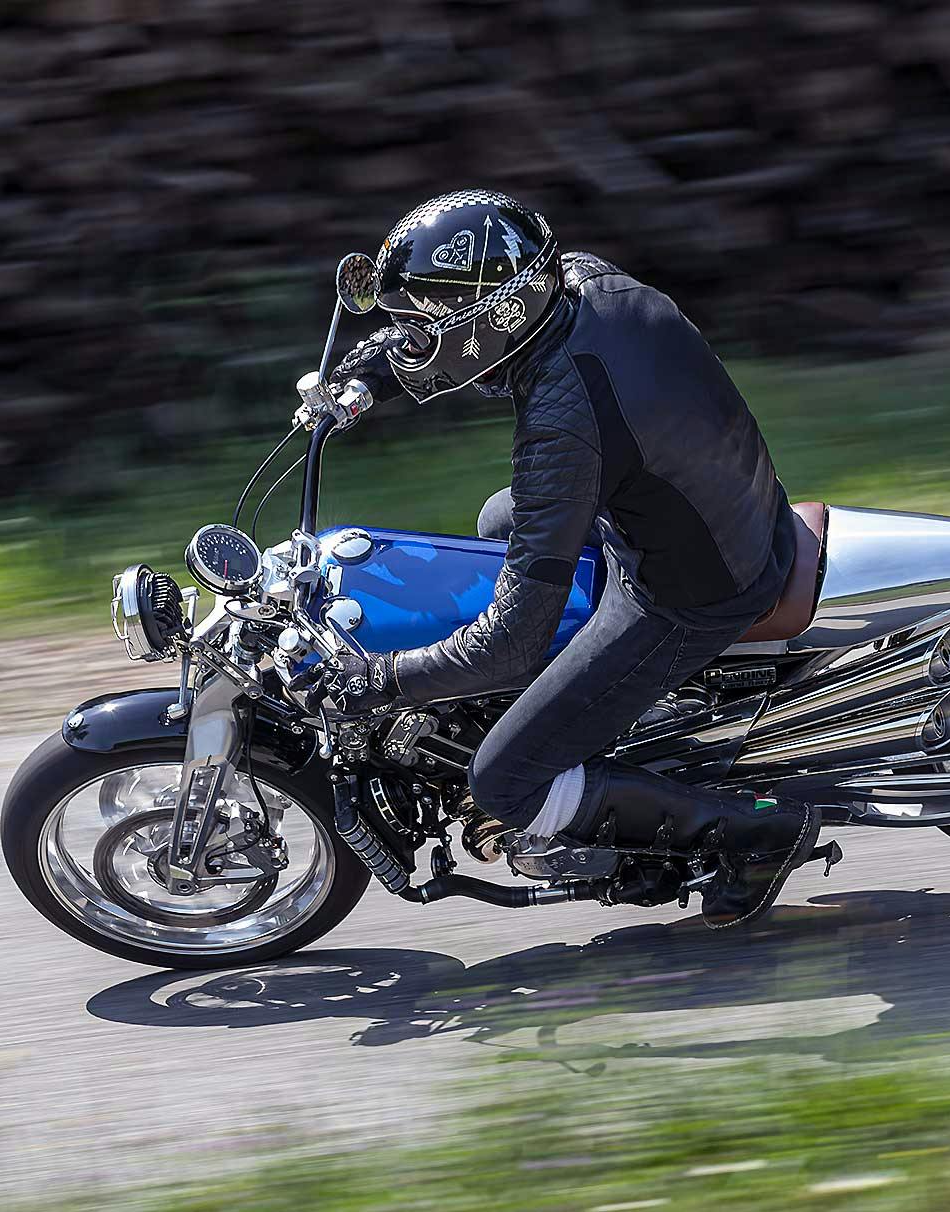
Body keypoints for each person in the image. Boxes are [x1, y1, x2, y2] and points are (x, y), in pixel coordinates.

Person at [321, 189, 818, 929]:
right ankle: (577, 715)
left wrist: (388, 679)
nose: (415, 336)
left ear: (492, 320)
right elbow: (472, 345)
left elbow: (515, 635)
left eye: (426, 324)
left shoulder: (562, 425)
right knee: (497, 521)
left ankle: (761, 835)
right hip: (707, 498)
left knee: (504, 778)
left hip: (692, 588)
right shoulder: (581, 279)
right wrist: (386, 372)